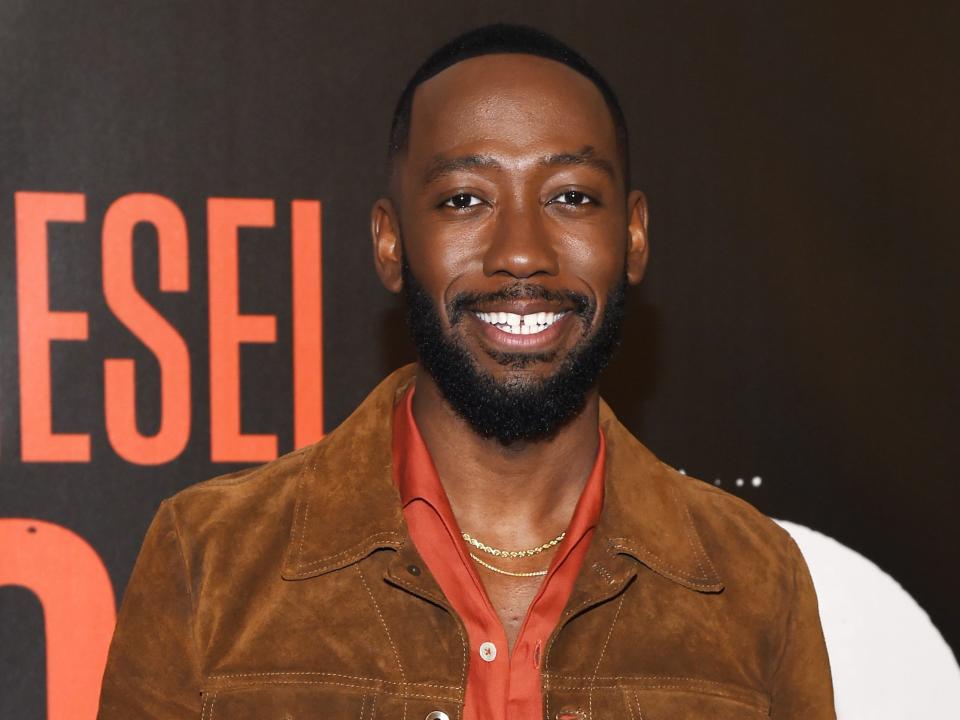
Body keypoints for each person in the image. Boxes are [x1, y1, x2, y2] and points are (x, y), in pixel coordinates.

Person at [97, 24, 835, 720]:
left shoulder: (754, 579)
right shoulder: (210, 560)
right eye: (465, 200)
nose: (520, 251)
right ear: (391, 243)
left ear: (634, 236)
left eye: (571, 196)